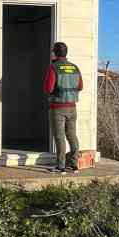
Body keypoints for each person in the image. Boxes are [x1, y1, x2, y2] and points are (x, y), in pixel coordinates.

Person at [43, 41, 84, 173]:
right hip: (72, 107)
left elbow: (48, 88)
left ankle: (61, 166)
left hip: (58, 108)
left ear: (54, 53)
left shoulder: (53, 68)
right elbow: (80, 86)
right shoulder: (75, 67)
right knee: (72, 135)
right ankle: (74, 164)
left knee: (59, 136)